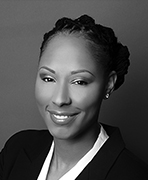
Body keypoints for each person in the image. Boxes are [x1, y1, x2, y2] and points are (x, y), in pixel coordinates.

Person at [0, 14, 148, 180]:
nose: (60, 99)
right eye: (48, 78)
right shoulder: (17, 149)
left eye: (79, 82)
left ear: (109, 84)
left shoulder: (133, 175)